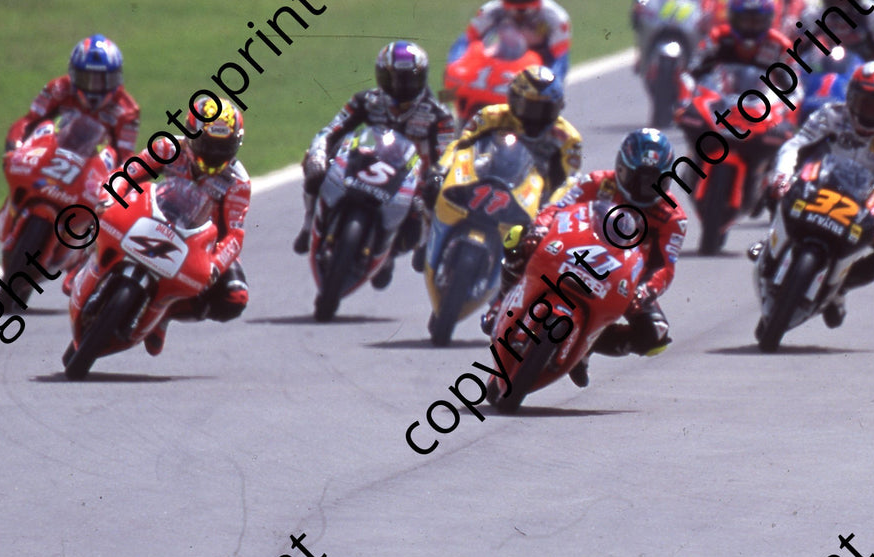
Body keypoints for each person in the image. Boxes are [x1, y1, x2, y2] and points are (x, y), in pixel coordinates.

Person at [483, 128, 687, 387]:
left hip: (623, 277)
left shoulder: (673, 217)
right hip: (574, 250)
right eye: (636, 177)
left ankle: (587, 344)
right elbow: (557, 207)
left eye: (653, 180)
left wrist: (645, 292)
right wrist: (541, 228)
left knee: (655, 335)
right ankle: (500, 302)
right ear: (621, 168)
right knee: (518, 238)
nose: (643, 188)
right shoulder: (598, 182)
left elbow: (666, 268)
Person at [759, 60, 874, 328]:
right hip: (818, 182)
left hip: (867, 201)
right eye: (866, 103)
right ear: (852, 97)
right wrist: (783, 176)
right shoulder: (831, 114)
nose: (871, 113)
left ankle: (841, 287)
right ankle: (772, 241)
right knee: (772, 190)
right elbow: (794, 145)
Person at [294, 41, 456, 283]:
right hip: (363, 165)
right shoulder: (366, 100)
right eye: (394, 79)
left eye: (408, 80)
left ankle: (415, 245)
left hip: (409, 180)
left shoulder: (438, 115)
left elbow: (443, 156)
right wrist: (318, 156)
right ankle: (309, 224)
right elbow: (330, 131)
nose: (401, 87)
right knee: (316, 165)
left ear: (421, 78)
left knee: (433, 196)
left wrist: (435, 179)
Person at [135, 96, 251, 355]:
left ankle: (164, 311)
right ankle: (87, 265)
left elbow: (234, 234)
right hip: (155, 218)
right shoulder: (167, 148)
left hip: (202, 244)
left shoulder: (238, 182)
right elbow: (129, 173)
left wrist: (215, 265)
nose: (213, 155)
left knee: (235, 297)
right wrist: (110, 193)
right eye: (207, 145)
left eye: (223, 148)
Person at [438, 64, 582, 204]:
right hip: (481, 187)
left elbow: (569, 182)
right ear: (513, 99)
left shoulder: (568, 138)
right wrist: (441, 169)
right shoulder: (491, 116)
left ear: (559, 107)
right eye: (530, 108)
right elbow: (460, 146)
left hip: (536, 205)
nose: (537, 118)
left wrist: (549, 210)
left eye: (545, 110)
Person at [6, 34, 140, 158]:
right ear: (74, 75)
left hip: (94, 172)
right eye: (86, 79)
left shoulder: (127, 111)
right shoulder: (58, 88)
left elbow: (125, 157)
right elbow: (29, 121)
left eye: (102, 80)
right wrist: (14, 147)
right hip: (53, 158)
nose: (94, 87)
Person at [449, 0, 573, 82]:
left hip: (537, 74)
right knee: (452, 92)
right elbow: (466, 40)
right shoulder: (491, 11)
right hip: (498, 68)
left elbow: (560, 59)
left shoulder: (556, 18)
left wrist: (550, 83)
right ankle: (446, 100)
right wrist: (454, 67)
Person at [689, 0, 792, 75]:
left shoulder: (781, 45)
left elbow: (796, 88)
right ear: (733, 18)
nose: (750, 28)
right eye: (745, 21)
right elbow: (691, 74)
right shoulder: (717, 37)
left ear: (768, 20)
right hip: (721, 94)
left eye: (756, 22)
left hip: (764, 95)